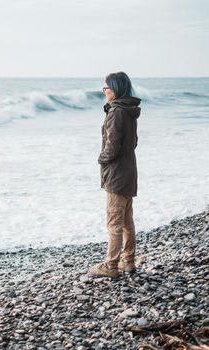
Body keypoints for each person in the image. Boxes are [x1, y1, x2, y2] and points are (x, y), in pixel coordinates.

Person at [89, 72, 141, 278]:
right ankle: (127, 261)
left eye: (106, 87)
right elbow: (134, 141)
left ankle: (110, 265)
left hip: (117, 174)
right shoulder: (129, 110)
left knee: (114, 221)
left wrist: (102, 159)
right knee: (127, 220)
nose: (104, 91)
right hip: (129, 170)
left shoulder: (116, 111)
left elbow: (111, 146)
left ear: (116, 88)